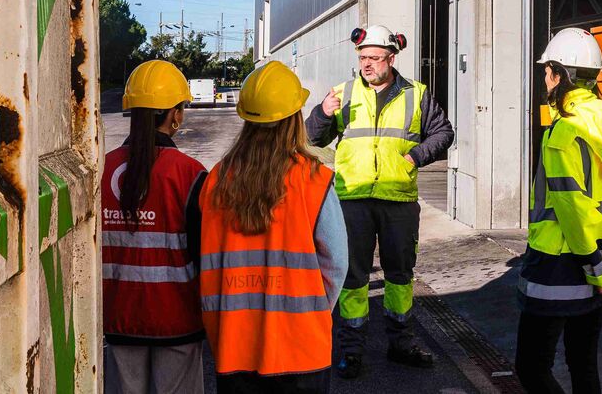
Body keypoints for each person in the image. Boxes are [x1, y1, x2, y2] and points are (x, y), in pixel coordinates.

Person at [305, 24, 454, 379]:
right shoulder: (343, 93)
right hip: (353, 199)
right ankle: (351, 350)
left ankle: (400, 343)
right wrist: (323, 112)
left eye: (373, 58)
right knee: (353, 277)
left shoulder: (416, 94)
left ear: (392, 58)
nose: (366, 64)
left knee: (400, 276)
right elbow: (313, 136)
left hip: (398, 200)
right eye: (362, 57)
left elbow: (444, 132)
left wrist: (416, 156)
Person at [192, 60, 348, 394]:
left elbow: (204, 258)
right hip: (302, 348)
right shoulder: (314, 179)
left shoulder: (217, 179)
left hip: (234, 345)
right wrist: (314, 311)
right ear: (294, 118)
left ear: (246, 118)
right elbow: (336, 263)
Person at [515, 28, 602, 393]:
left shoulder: (563, 132)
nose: (544, 79)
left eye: (546, 72)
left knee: (530, 366)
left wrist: (600, 273)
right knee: (583, 363)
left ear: (558, 74)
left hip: (559, 265)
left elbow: (573, 209)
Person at [101, 60, 206, 394]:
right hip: (177, 319)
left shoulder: (101, 169)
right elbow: (206, 253)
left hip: (117, 318)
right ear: (175, 115)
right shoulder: (190, 173)